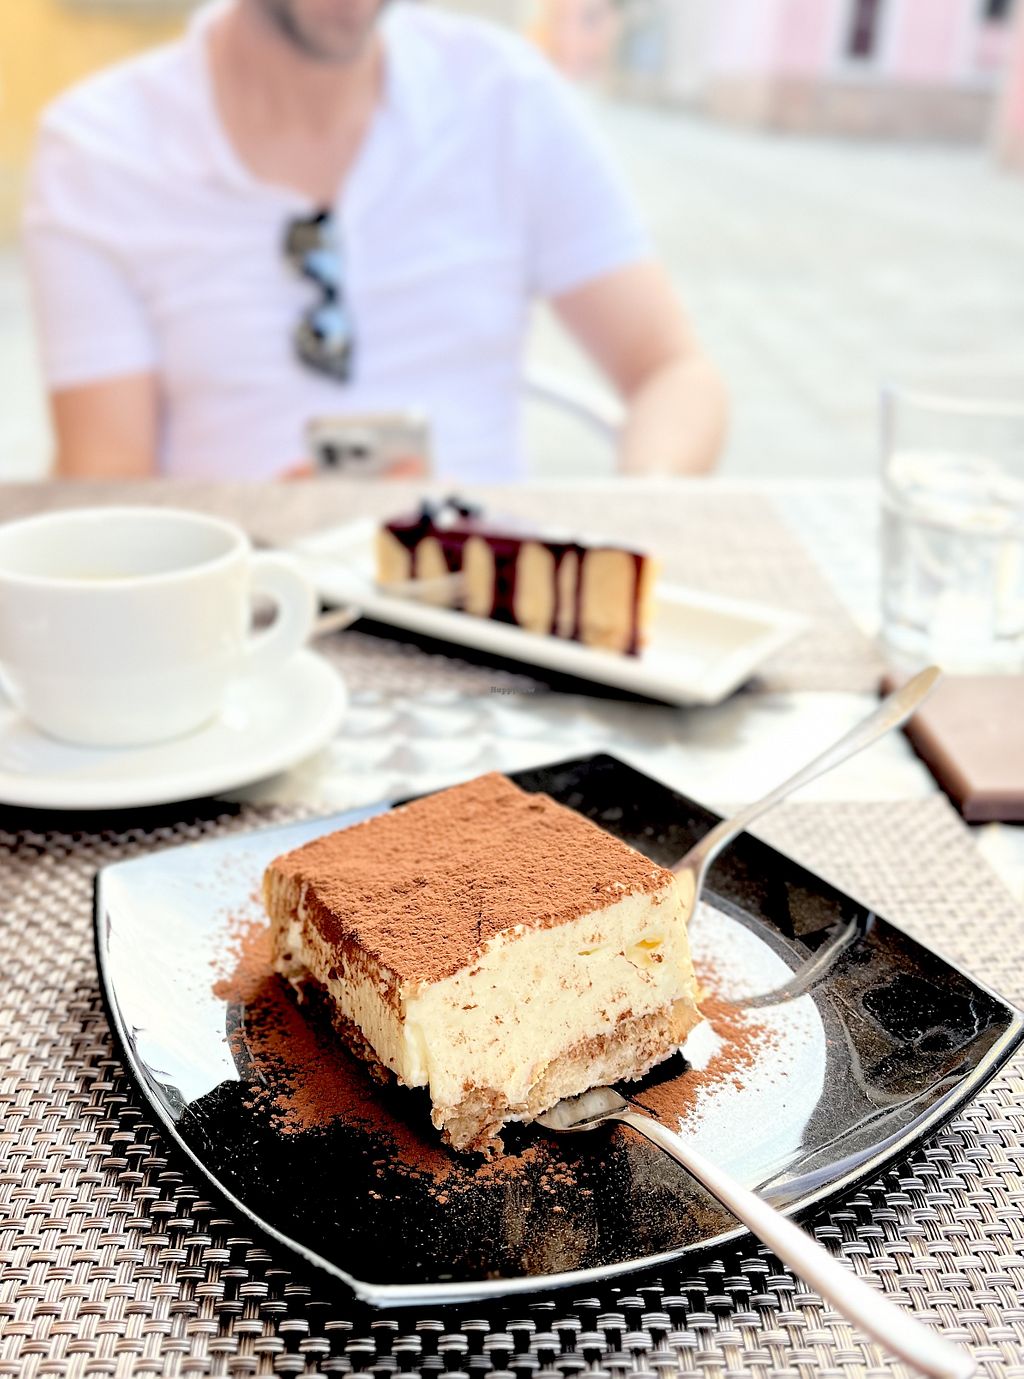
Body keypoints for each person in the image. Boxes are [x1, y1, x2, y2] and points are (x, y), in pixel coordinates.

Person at [23, 0, 727, 482]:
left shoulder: (506, 94)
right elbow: (105, 474)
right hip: (232, 607)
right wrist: (269, 536)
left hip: (488, 600)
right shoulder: (98, 149)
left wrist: (648, 497)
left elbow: (673, 371)